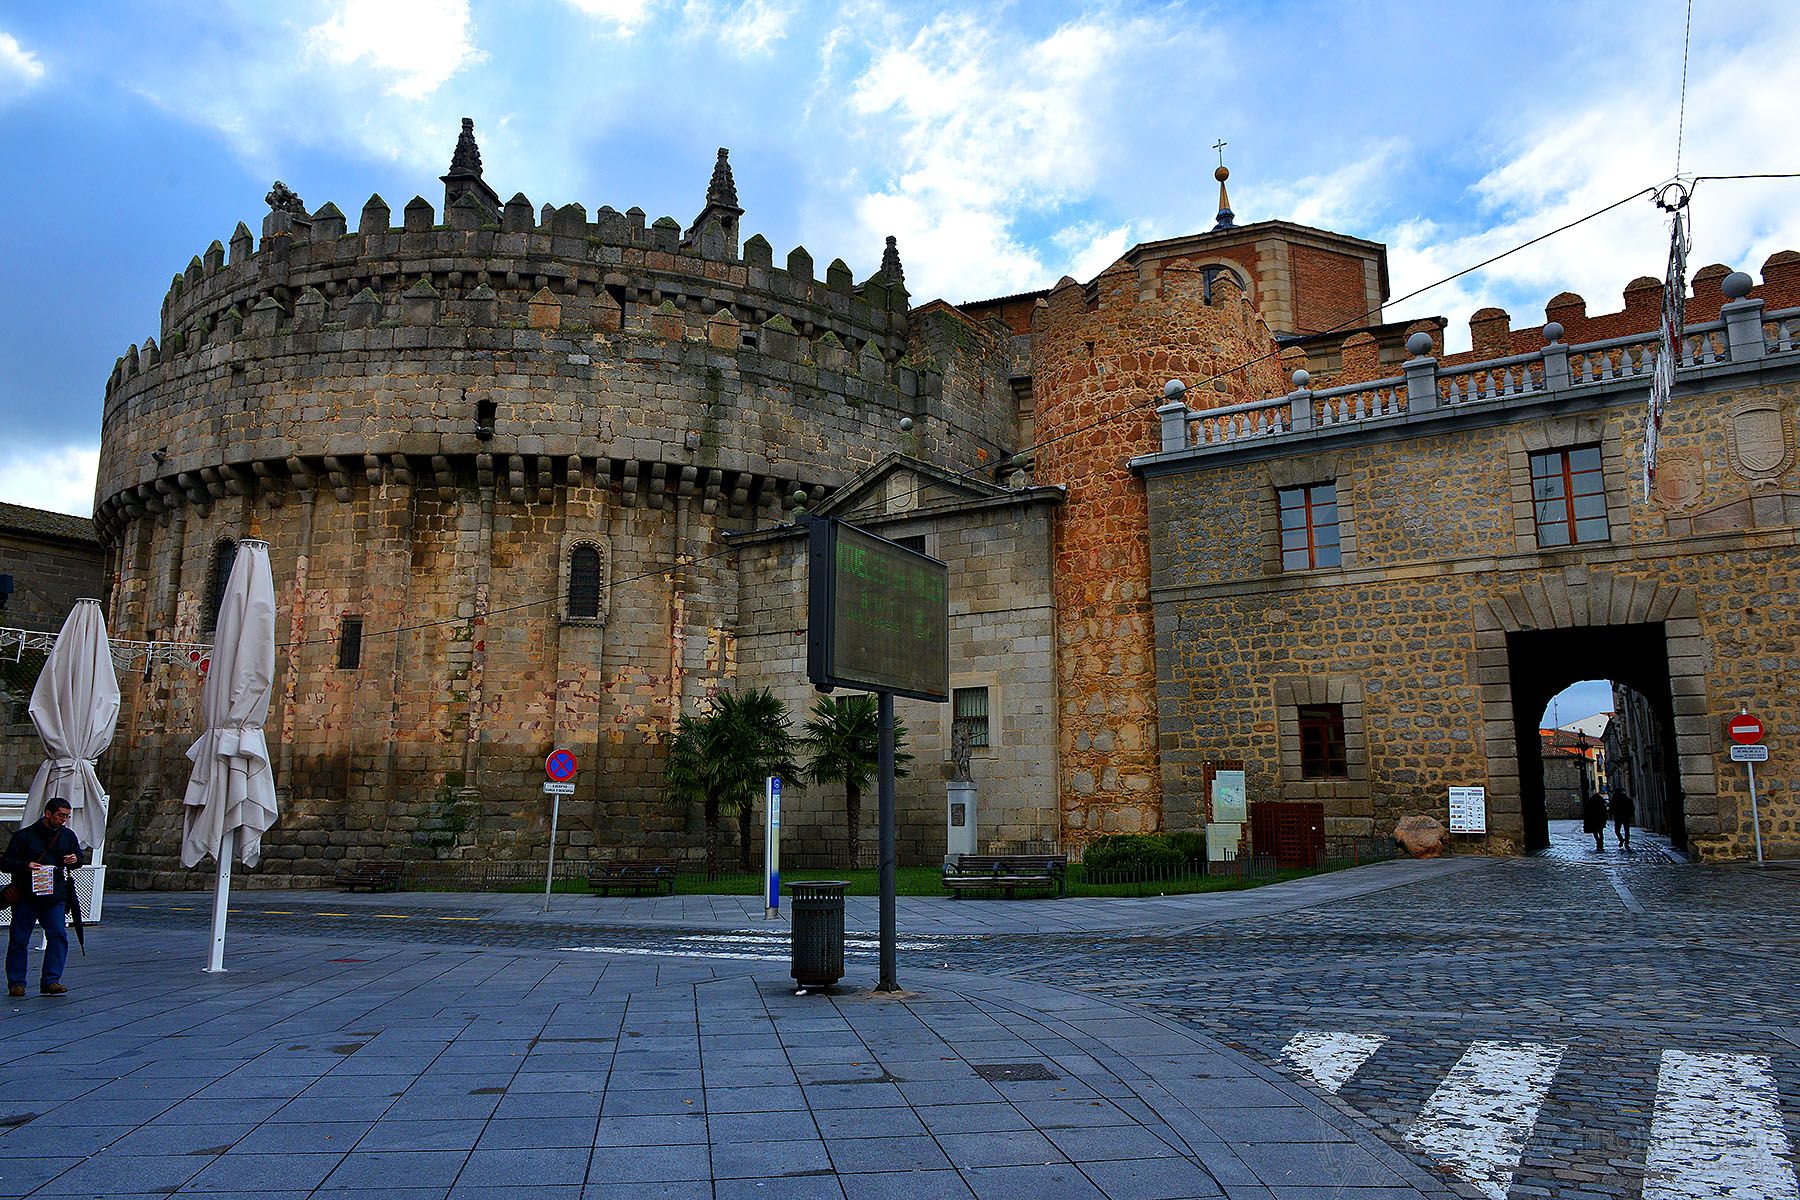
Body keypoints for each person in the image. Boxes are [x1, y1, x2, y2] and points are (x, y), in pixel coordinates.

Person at [3, 796, 85, 998]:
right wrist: (26, 865)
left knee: (58, 935)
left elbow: (78, 859)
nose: (63, 820)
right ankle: (17, 982)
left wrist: (75, 859)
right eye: (60, 815)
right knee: (19, 939)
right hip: (26, 895)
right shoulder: (24, 836)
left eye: (66, 816)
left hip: (54, 896)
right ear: (48, 814)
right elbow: (5, 862)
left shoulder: (67, 836)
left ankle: (51, 980)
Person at [1609, 786, 1635, 852]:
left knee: (1617, 830)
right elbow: (1632, 807)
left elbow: (1611, 807)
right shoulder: (1627, 799)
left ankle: (1621, 840)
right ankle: (1626, 842)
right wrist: (1631, 815)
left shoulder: (1614, 799)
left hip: (1618, 816)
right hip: (1626, 816)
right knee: (1627, 830)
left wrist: (1611, 814)